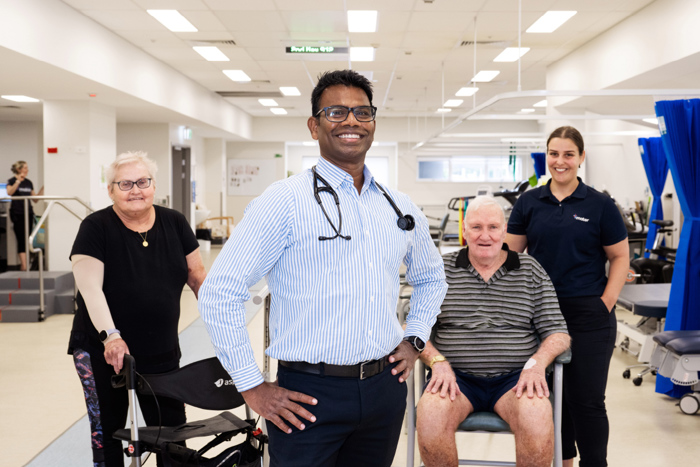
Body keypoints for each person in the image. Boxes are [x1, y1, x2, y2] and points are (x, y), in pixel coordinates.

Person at [198, 69, 447, 467]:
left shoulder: (398, 205)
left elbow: (432, 277)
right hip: (307, 397)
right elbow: (218, 293)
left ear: (373, 123)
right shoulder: (284, 202)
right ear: (314, 126)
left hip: (384, 390)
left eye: (362, 112)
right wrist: (250, 385)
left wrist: (415, 337)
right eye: (336, 112)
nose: (351, 121)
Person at [67, 151, 207, 467]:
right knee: (108, 429)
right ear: (111, 190)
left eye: (143, 182)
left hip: (161, 348)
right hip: (104, 350)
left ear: (153, 185)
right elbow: (90, 290)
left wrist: (221, 318)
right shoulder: (96, 227)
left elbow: (198, 277)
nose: (135, 190)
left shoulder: (175, 222)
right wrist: (112, 337)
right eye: (125, 184)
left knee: (172, 431)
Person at [506, 126, 629, 467]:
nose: (560, 161)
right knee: (549, 399)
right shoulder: (529, 202)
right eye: (554, 154)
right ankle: (563, 462)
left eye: (568, 154)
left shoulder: (600, 204)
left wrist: (605, 303)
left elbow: (620, 257)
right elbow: (511, 258)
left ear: (581, 157)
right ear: (547, 156)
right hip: (541, 316)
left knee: (586, 400)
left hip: (589, 315)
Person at [417, 196, 570, 467]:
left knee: (536, 415)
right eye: (476, 227)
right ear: (464, 230)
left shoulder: (530, 270)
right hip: (455, 379)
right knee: (430, 414)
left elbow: (558, 333)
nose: (485, 236)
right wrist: (437, 362)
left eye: (493, 227)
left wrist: (537, 364)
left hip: (516, 379)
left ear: (504, 230)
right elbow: (414, 328)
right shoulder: (439, 270)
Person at [7, 160, 44, 271]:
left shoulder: (28, 182)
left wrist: (43, 187)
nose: (27, 170)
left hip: (28, 213)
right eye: (25, 168)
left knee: (28, 239)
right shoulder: (12, 181)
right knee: (21, 239)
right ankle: (24, 265)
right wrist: (18, 181)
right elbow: (9, 192)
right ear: (19, 169)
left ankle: (27, 263)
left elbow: (35, 199)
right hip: (17, 214)